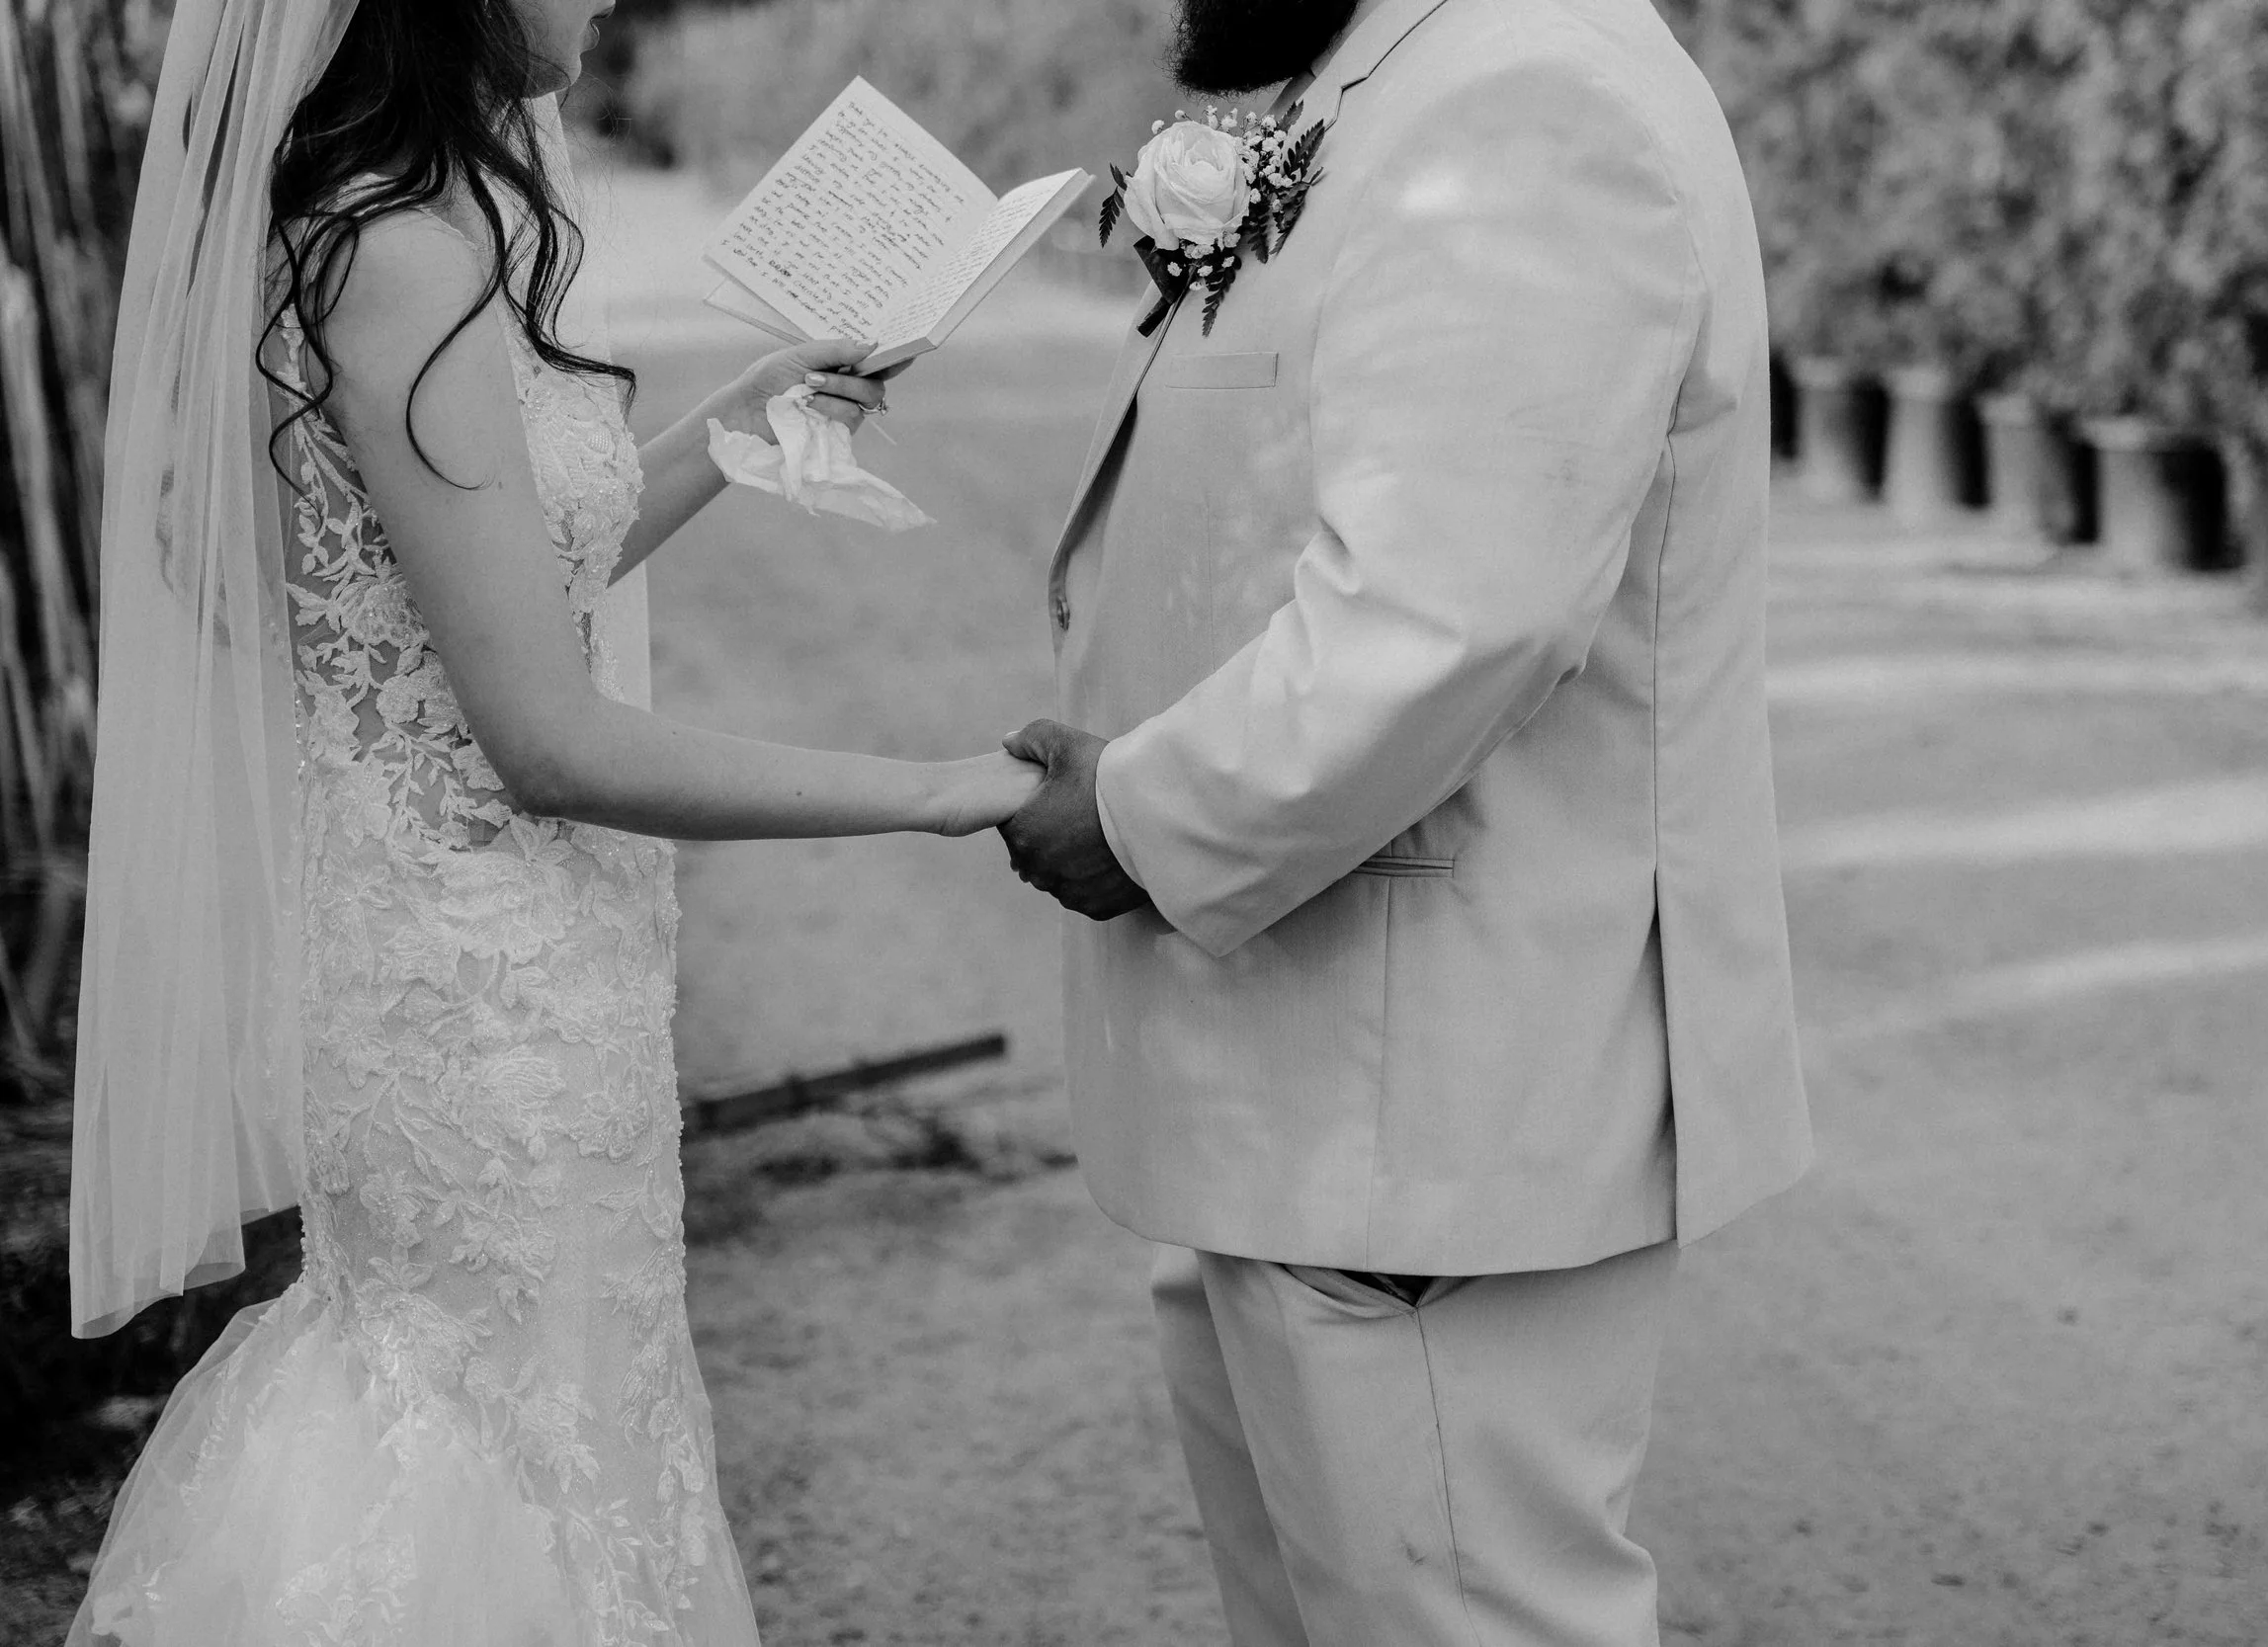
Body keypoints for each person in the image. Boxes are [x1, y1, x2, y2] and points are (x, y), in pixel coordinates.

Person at [64, 0, 1037, 1639]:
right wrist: (938, 789)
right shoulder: (397, 256)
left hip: (538, 967)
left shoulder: (428, 225)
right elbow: (547, 736)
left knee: (571, 1424)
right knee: (481, 1441)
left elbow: (523, 576)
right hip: (472, 1006)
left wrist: (745, 422)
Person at [999, 0, 1815, 1640]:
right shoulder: (1406, 71)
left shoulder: (1528, 98)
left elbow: (1452, 617)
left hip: (1422, 1104)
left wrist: (1143, 812)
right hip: (1310, 1095)